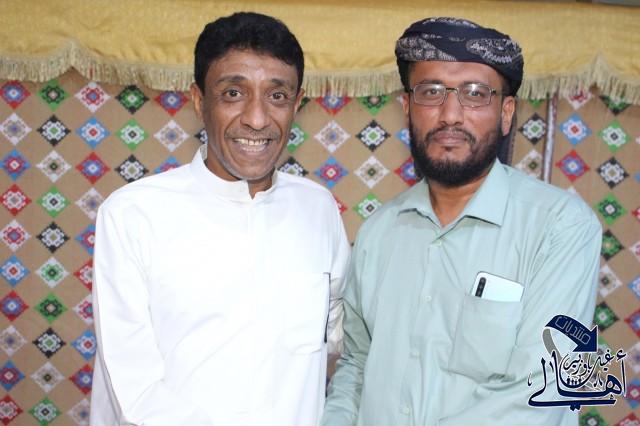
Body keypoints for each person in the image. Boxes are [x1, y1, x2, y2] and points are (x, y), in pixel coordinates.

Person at [322, 17, 601, 426]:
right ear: (408, 108)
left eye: (475, 94)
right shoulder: (379, 232)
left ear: (506, 112)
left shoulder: (560, 227)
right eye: (431, 92)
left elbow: (543, 389)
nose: (450, 115)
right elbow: (356, 367)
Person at [90, 12, 350, 426]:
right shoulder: (133, 215)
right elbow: (135, 392)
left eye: (277, 96)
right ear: (199, 101)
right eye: (233, 93)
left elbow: (338, 337)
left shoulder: (317, 208)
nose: (257, 119)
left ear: (297, 104)